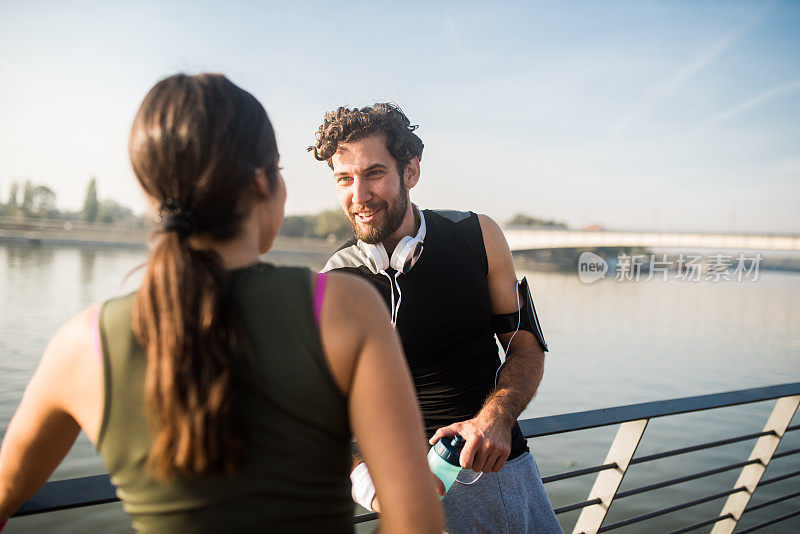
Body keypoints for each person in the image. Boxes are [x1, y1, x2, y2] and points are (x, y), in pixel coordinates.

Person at [0, 75, 443, 534]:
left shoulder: (82, 343)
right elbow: (417, 522)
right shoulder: (344, 307)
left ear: (152, 193)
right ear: (261, 184)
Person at [309, 103, 562, 533]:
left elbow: (525, 344)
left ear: (411, 172)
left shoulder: (479, 235)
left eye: (374, 173)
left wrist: (495, 419)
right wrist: (367, 483)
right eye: (344, 179)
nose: (359, 195)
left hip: (508, 469)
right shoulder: (330, 286)